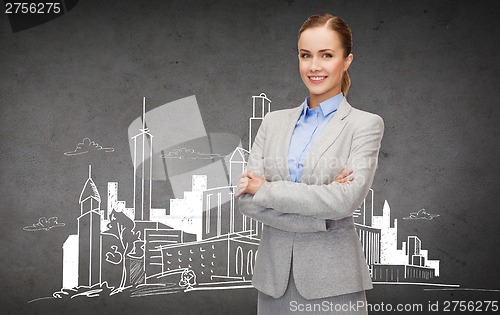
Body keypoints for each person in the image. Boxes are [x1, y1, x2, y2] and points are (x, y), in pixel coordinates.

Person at [236, 13, 384, 314]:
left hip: (334, 283)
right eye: (306, 55)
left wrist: (266, 190)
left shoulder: (365, 125)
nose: (314, 66)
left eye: (326, 55)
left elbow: (344, 201)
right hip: (273, 283)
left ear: (347, 61)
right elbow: (247, 202)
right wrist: (320, 218)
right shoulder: (273, 122)